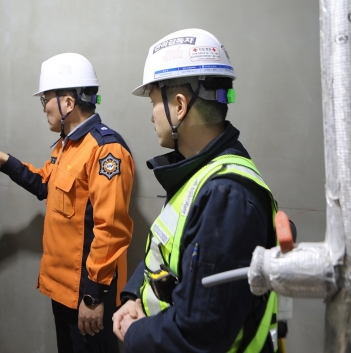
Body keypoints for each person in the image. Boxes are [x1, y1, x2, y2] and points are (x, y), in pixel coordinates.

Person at [112, 29, 279, 352]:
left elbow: (200, 333)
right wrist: (135, 297)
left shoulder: (226, 198)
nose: (151, 116)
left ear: (179, 106)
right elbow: (166, 254)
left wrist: (135, 332)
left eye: (153, 102)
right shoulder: (200, 175)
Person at [0, 53, 134, 352]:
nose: (44, 107)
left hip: (87, 293)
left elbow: (111, 230)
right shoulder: (67, 145)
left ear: (68, 103)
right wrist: (4, 160)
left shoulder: (105, 150)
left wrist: (93, 297)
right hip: (63, 290)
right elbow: (45, 183)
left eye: (46, 99)